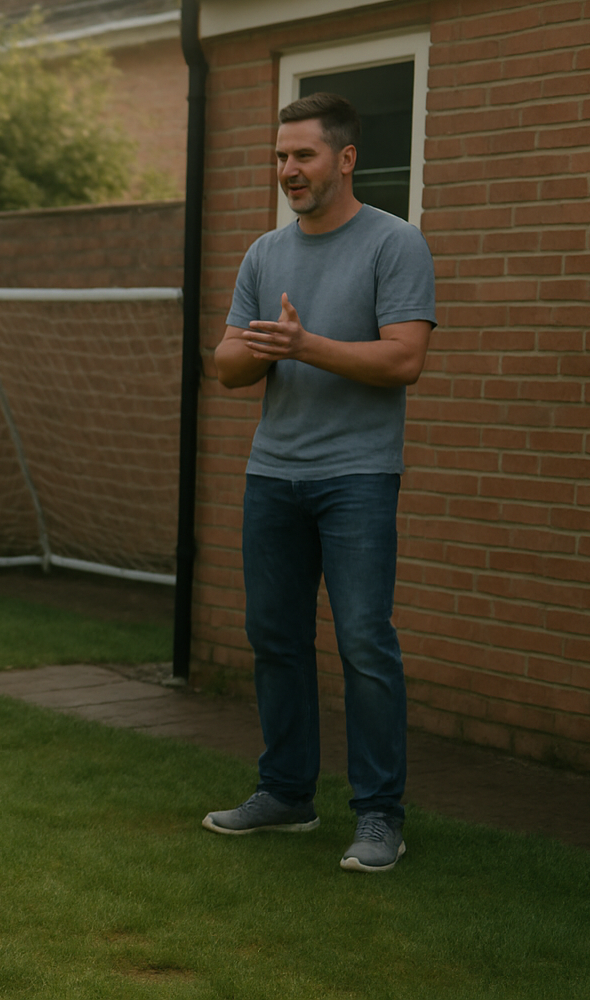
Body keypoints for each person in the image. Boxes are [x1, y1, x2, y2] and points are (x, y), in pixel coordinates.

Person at [203, 93, 435, 873]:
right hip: (274, 476)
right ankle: (286, 792)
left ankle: (378, 817)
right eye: (279, 157)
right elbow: (227, 366)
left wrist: (305, 345)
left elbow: (403, 360)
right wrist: (269, 349)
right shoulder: (265, 253)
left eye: (302, 156)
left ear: (344, 159)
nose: (287, 171)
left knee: (366, 644)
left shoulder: (396, 244)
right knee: (275, 638)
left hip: (358, 478)